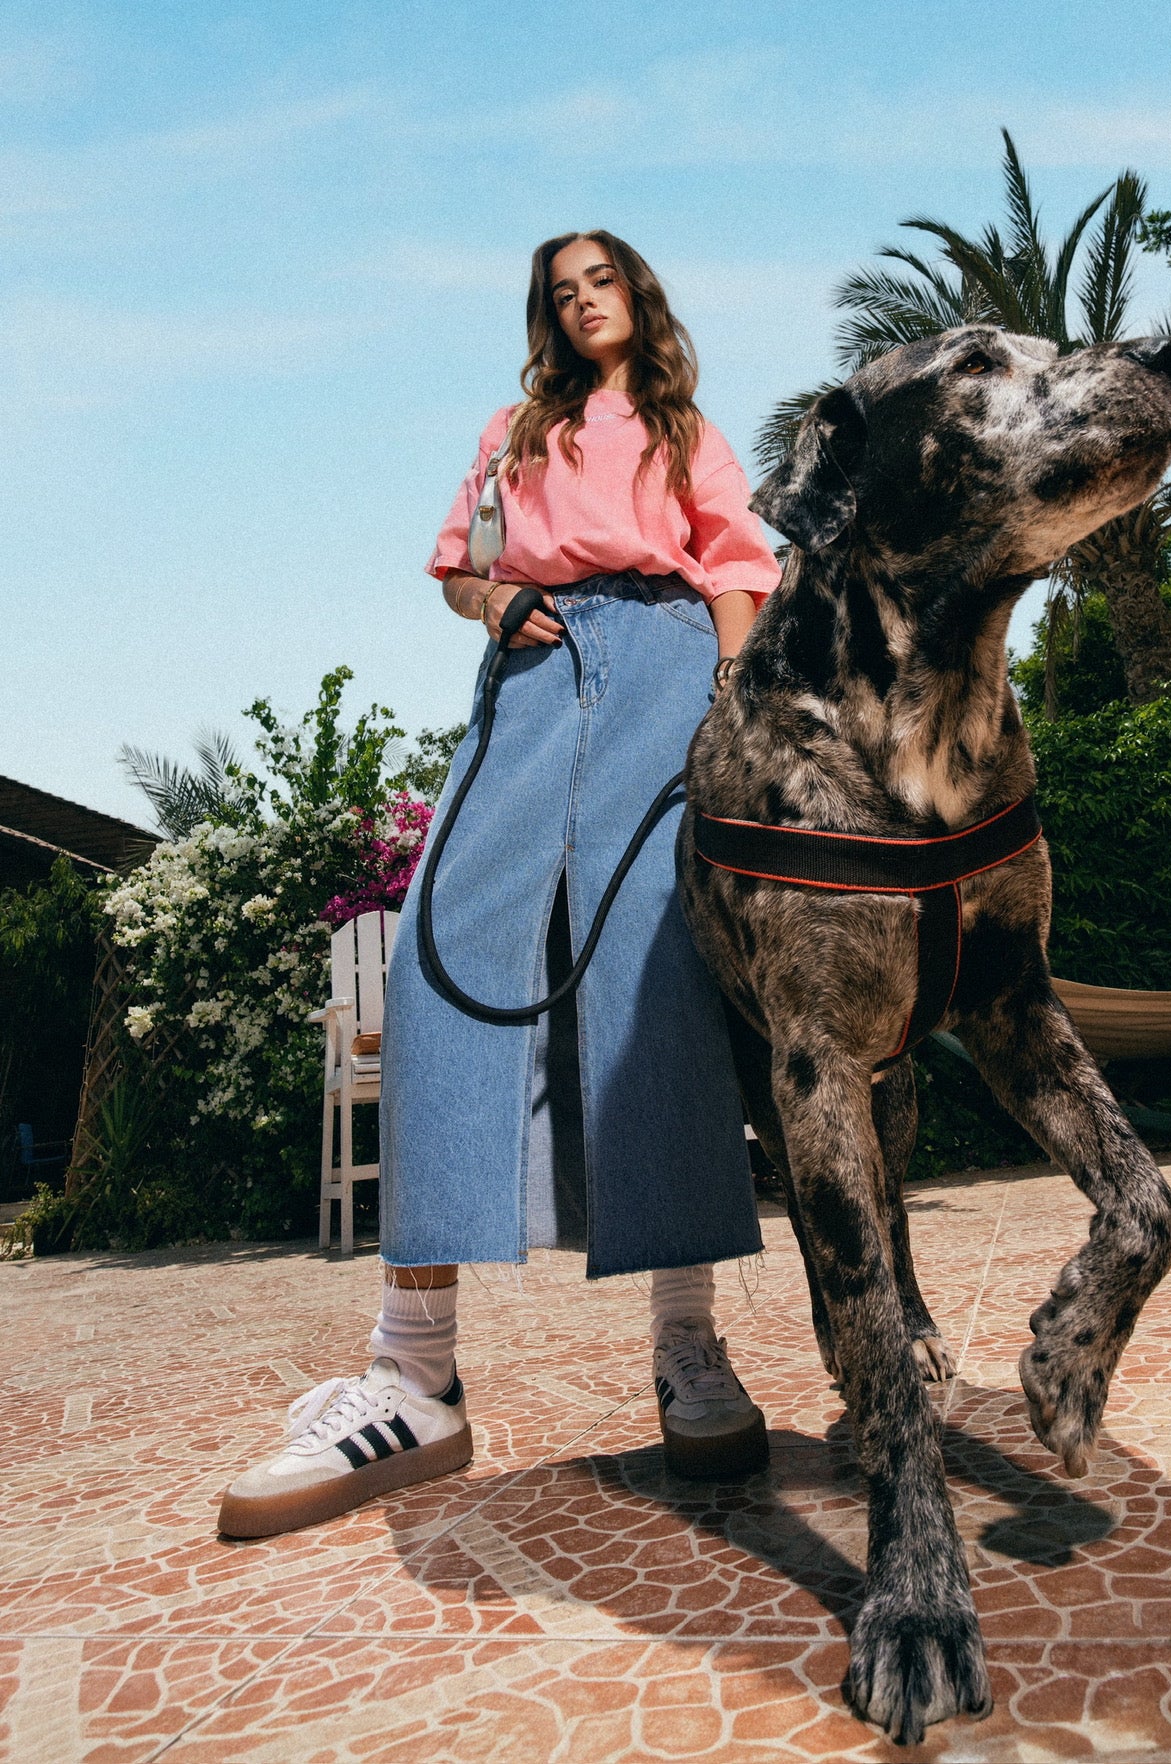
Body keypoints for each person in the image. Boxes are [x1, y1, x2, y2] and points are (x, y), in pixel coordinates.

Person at [219, 230, 781, 1538]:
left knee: (658, 978)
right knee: (434, 964)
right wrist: (489, 605)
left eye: (606, 282)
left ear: (639, 298)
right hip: (527, 681)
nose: (587, 303)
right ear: (547, 311)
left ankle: (687, 1347)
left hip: (663, 662)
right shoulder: (511, 427)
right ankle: (413, 1372)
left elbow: (737, 565)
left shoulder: (683, 427)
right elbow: (459, 567)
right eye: (563, 290)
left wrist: (726, 698)